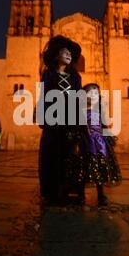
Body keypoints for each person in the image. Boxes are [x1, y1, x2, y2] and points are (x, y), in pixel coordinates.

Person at [37, 35, 84, 204]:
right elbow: (43, 95)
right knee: (51, 153)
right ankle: (50, 189)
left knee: (69, 154)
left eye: (70, 53)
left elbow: (79, 98)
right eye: (65, 52)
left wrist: (79, 121)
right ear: (56, 55)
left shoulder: (76, 77)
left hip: (70, 120)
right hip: (52, 119)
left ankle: (68, 188)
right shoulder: (48, 74)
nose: (69, 55)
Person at [65, 83, 122, 206]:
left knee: (100, 169)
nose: (93, 95)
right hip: (85, 142)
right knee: (82, 169)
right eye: (89, 93)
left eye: (95, 93)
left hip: (100, 144)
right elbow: (76, 127)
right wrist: (75, 141)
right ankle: (81, 195)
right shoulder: (80, 111)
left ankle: (101, 194)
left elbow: (103, 125)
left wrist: (109, 137)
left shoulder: (99, 110)